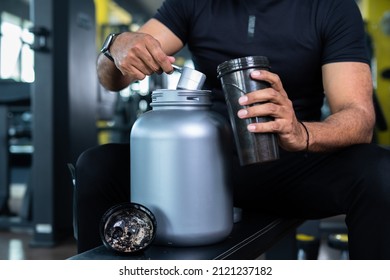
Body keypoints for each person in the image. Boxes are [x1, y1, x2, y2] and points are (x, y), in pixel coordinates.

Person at [75, 0, 390, 259]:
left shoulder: (331, 7)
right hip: (207, 165)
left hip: (293, 164)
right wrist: (115, 47)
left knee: (379, 171)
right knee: (97, 165)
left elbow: (359, 117)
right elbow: (112, 79)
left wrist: (301, 133)